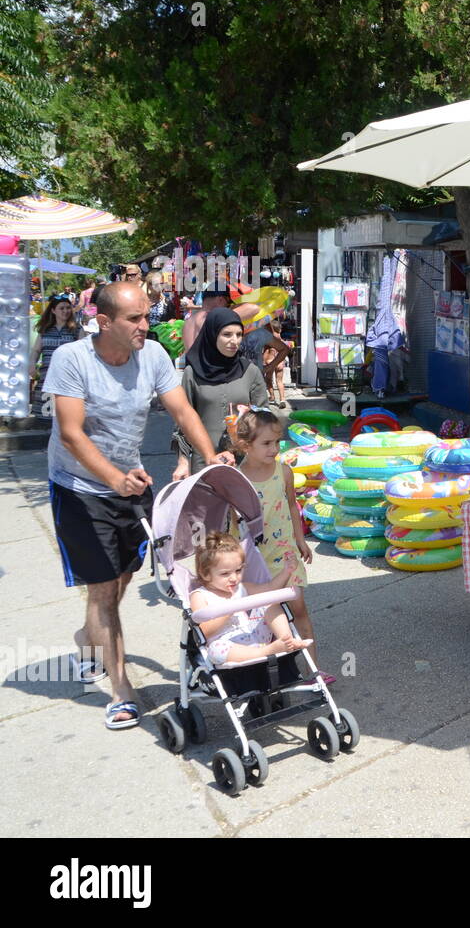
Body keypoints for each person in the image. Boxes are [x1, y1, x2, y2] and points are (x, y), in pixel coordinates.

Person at [43, 282, 235, 729]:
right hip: (80, 488)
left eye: (147, 316)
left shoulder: (151, 356)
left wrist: (210, 457)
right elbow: (71, 433)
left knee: (123, 577)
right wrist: (113, 479)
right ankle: (122, 689)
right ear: (104, 321)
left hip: (132, 483)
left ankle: (87, 640)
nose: (145, 326)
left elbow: (183, 411)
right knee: (105, 589)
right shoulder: (73, 360)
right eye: (135, 318)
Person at [231, 408, 327, 679]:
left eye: (277, 442)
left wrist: (300, 540)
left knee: (299, 610)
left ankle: (315, 670)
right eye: (266, 443)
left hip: (285, 555)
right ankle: (271, 673)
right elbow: (233, 524)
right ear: (245, 445)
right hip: (256, 561)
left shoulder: (283, 472)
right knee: (264, 619)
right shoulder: (238, 479)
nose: (274, 449)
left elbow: (292, 506)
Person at [173, 308, 269, 479]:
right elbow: (183, 422)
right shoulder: (192, 373)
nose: (234, 341)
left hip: (244, 464)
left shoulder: (250, 371)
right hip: (204, 463)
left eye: (239, 335)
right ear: (212, 335)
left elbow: (264, 416)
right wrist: (183, 461)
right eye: (227, 334)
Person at [189, 533, 310, 666]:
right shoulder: (200, 595)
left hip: (254, 636)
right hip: (228, 647)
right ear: (205, 574)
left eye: (238, 570)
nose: (234, 578)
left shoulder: (241, 588)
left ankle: (286, 640)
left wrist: (287, 571)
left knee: (268, 601)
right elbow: (203, 631)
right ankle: (268, 650)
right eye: (225, 574)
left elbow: (271, 588)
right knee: (215, 650)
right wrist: (229, 609)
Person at [30, 294, 83, 403]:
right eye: (61, 308)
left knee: (64, 413)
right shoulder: (45, 329)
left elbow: (83, 354)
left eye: (68, 308)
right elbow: (36, 350)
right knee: (44, 414)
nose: (65, 311)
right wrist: (31, 364)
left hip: (68, 378)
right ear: (53, 311)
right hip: (46, 377)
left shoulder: (77, 329)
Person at [181, 283, 233, 352]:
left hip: (190, 362)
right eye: (228, 303)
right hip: (209, 362)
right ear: (220, 299)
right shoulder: (215, 319)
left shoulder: (188, 322)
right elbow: (251, 308)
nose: (228, 307)